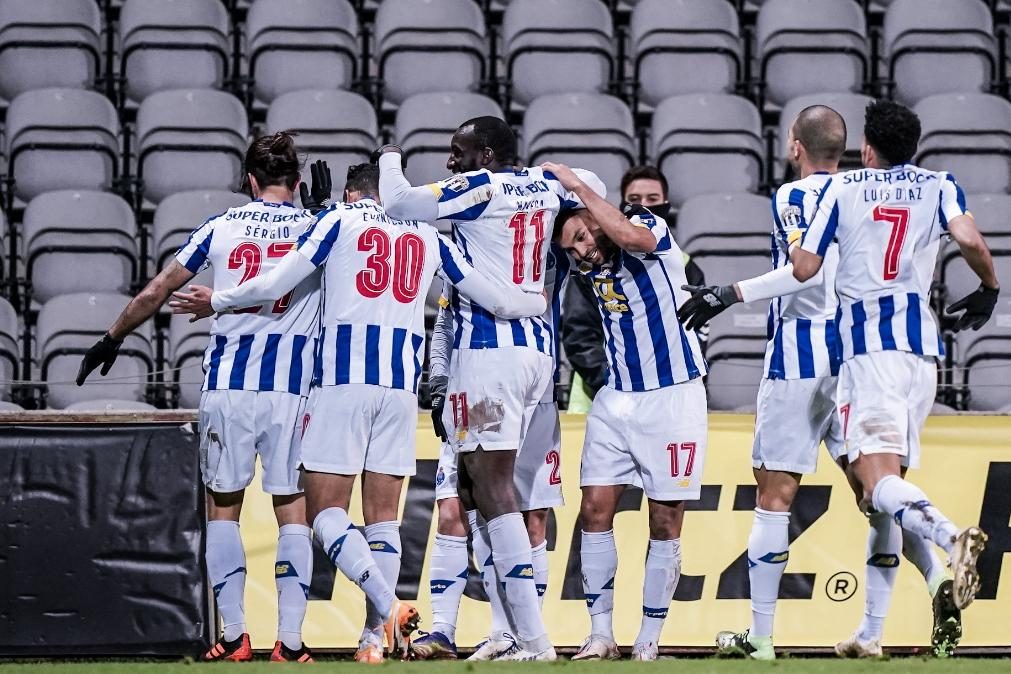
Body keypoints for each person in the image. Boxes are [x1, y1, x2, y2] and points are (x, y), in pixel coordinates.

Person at [170, 162, 546, 663]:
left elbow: (275, 283)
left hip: (341, 384)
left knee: (325, 515)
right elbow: (489, 294)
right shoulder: (428, 236)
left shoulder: (339, 221)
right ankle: (373, 641)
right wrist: (533, 305)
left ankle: (389, 608)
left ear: (350, 193)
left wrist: (217, 299)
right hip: (398, 392)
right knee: (383, 522)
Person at [679, 105, 964, 660]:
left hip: (800, 353)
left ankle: (760, 638)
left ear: (795, 146)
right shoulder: (875, 191)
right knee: (875, 492)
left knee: (774, 495)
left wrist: (729, 293)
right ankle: (898, 612)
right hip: (860, 356)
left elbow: (798, 272)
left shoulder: (795, 196)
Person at [76, 132, 331, 663]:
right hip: (292, 389)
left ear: (249, 180)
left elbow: (158, 289)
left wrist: (112, 337)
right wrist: (322, 210)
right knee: (292, 509)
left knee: (224, 509)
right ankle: (290, 643)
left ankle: (236, 637)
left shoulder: (223, 226)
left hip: (230, 389)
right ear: (298, 181)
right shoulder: (318, 229)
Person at [376, 117, 602, 661]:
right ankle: (509, 633)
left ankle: (534, 641)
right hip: (538, 359)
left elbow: (398, 202)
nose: (451, 163)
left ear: (486, 155)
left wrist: (388, 153)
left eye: (459, 153)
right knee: (490, 494)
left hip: (488, 357)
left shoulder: (483, 187)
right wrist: (562, 180)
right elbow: (588, 182)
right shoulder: (549, 187)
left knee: (491, 487)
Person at [789, 100, 996, 648]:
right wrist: (990, 289)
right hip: (921, 355)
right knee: (878, 495)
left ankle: (952, 538)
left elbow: (805, 268)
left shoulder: (843, 187)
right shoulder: (940, 183)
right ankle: (871, 633)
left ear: (867, 148)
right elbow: (971, 241)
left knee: (875, 483)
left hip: (868, 353)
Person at [550, 163, 708, 662]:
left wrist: (576, 188)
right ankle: (600, 635)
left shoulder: (649, 227)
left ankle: (649, 638)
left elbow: (631, 237)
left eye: (581, 238)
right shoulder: (587, 265)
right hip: (615, 398)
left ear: (596, 217)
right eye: (571, 248)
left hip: (674, 396)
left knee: (665, 520)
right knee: (594, 511)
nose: (581, 252)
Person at [412, 239, 574, 662]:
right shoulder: (460, 252)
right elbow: (445, 324)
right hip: (471, 385)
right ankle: (444, 631)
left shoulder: (539, 251)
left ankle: (519, 636)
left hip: (529, 394)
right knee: (456, 507)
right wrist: (440, 380)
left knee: (530, 516)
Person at [562, 166, 705, 406]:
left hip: (665, 392)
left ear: (666, 203)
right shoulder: (588, 261)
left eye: (653, 199)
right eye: (635, 200)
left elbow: (696, 332)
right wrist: (614, 382)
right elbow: (580, 335)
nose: (645, 205)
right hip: (598, 396)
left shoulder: (686, 266)